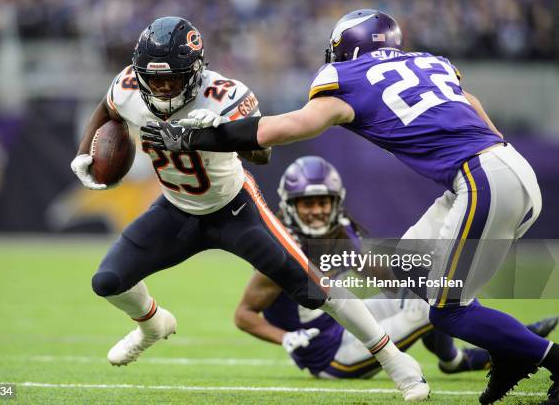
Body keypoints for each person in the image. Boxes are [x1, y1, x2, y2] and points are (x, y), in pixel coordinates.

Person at [143, 9, 558, 404]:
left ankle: (546, 358)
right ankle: (508, 350)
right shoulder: (430, 63)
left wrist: (203, 138)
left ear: (347, 48)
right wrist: (497, 158)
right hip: (499, 165)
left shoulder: (346, 77)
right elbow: (470, 103)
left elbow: (288, 127)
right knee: (408, 271)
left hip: (480, 179)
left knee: (449, 312)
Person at [70, 16, 429, 401]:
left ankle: (395, 361)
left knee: (315, 287)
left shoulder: (225, 95)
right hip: (176, 209)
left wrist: (218, 135)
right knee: (106, 282)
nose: (161, 87)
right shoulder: (127, 86)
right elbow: (107, 111)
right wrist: (84, 154)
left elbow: (262, 153)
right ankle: (152, 325)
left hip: (234, 210)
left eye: (172, 78)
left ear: (194, 71)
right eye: (154, 79)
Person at [235, 156, 557, 379]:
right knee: (427, 307)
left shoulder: (341, 232)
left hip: (346, 322)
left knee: (435, 286)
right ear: (290, 206)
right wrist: (286, 338)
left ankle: (459, 358)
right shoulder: (281, 252)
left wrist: (424, 268)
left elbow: (378, 274)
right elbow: (244, 314)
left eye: (323, 202)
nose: (317, 211)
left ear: (337, 202)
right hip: (329, 354)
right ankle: (508, 347)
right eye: (308, 203)